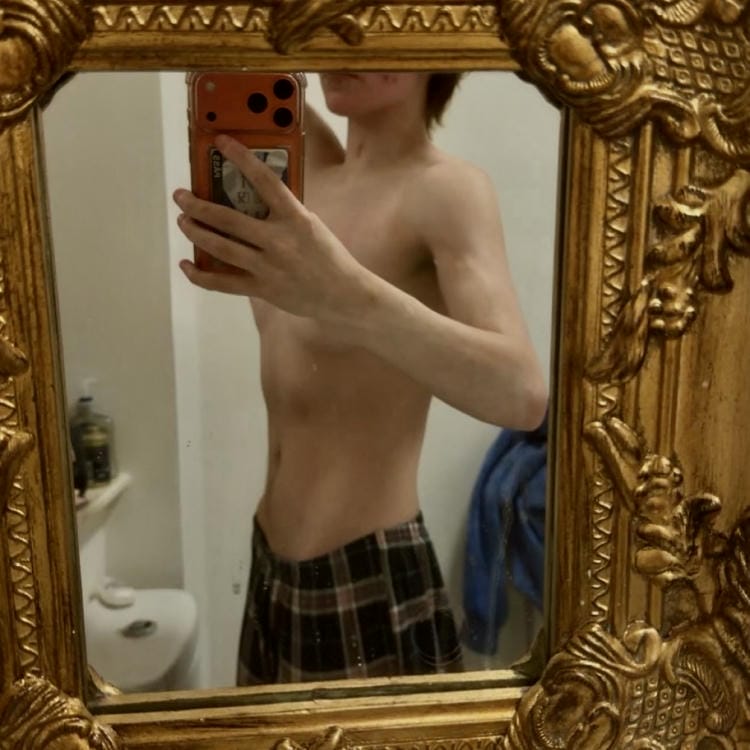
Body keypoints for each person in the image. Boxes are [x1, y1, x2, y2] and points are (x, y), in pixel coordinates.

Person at [173, 72, 548, 684]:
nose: (344, 48)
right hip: (268, 566)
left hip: (369, 572)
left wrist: (346, 297)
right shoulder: (305, 170)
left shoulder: (443, 191)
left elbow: (522, 394)